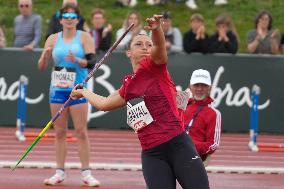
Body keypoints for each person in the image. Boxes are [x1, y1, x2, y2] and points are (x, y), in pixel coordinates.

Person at [71, 14, 210, 189]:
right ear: (129, 52)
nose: (145, 47)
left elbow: (159, 46)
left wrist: (156, 29)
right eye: (139, 44)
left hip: (178, 146)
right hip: (152, 154)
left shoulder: (156, 67)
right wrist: (82, 92)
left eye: (148, 44)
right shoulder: (129, 85)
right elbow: (104, 103)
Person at [37, 3, 100, 187]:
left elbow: (92, 62)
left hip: (78, 89)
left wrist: (77, 60)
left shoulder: (85, 37)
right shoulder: (52, 39)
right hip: (57, 89)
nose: (70, 20)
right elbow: (41, 67)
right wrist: (44, 57)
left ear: (78, 20)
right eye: (66, 16)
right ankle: (60, 172)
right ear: (61, 19)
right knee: (59, 132)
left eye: (73, 17)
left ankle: (87, 173)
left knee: (80, 131)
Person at [181, 69, 222, 167]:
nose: (199, 89)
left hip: (194, 159)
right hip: (172, 155)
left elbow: (213, 144)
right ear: (190, 87)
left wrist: (189, 146)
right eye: (196, 85)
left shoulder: (214, 113)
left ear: (209, 88)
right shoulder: (181, 105)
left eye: (204, 85)